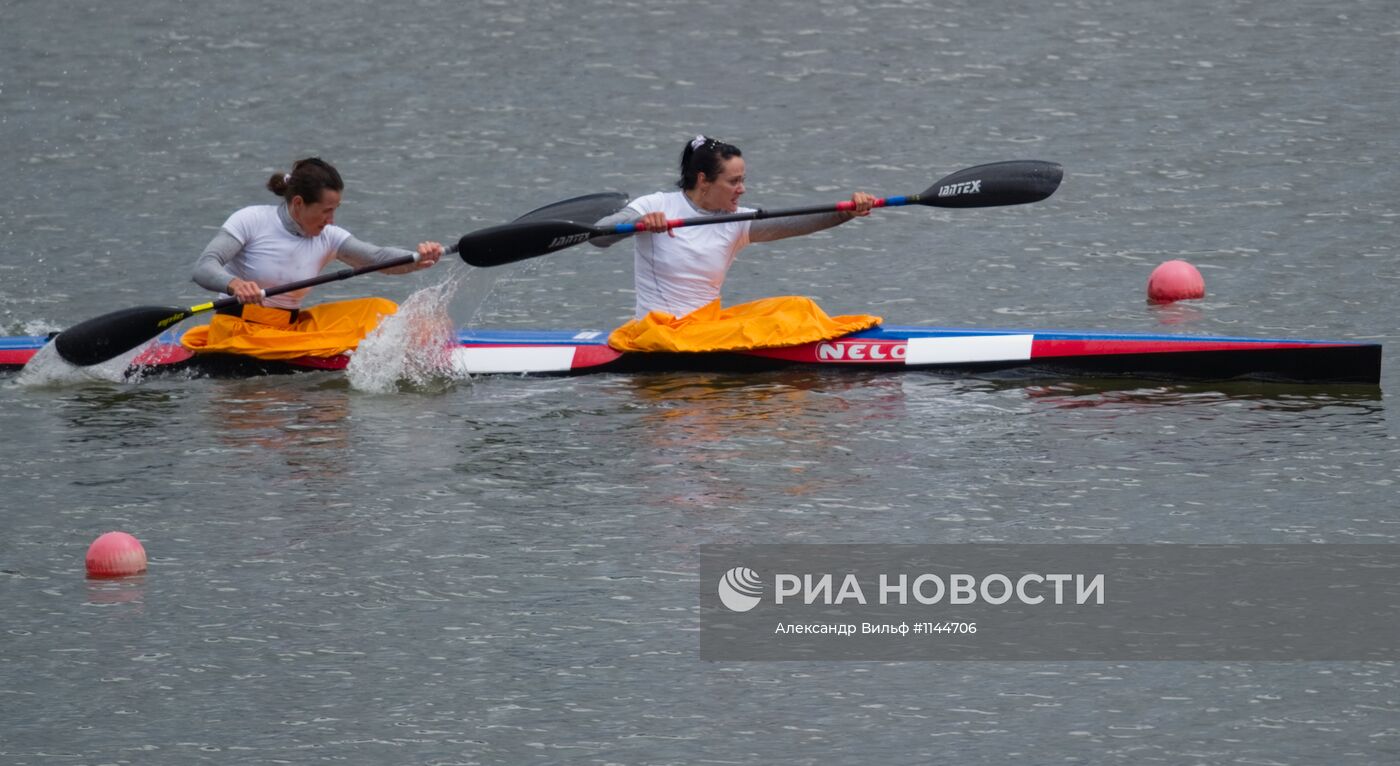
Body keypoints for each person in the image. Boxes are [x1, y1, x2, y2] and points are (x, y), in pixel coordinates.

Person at [591, 135, 882, 352]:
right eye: (734, 182)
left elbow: (798, 223)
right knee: (769, 326)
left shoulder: (738, 220)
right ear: (704, 180)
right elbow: (600, 236)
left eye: (743, 180)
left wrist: (846, 212)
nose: (742, 189)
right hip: (660, 331)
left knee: (798, 306)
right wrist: (637, 224)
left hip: (706, 325)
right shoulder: (655, 204)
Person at [180, 157, 445, 359]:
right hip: (240, 329)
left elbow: (378, 258)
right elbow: (203, 267)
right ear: (298, 204)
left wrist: (417, 258)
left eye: (335, 210)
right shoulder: (251, 220)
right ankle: (336, 350)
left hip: (289, 329)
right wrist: (234, 285)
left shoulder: (329, 236)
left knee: (382, 309)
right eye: (326, 211)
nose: (331, 220)